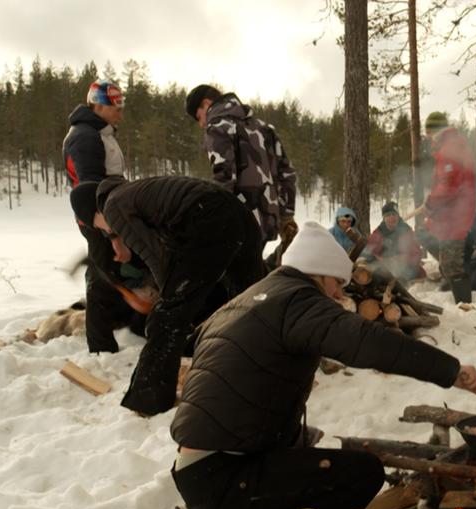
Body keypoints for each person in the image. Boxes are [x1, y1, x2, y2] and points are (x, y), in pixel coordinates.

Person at [169, 223, 476, 509]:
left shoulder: (247, 300)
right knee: (362, 474)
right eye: (337, 282)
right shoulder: (298, 301)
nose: (338, 294)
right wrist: (450, 370)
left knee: (307, 453)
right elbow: (369, 343)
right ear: (319, 273)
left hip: (195, 469)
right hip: (226, 476)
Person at [90, 175, 267, 416]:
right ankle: (269, 369)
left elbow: (156, 256)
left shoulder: (113, 204)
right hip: (240, 215)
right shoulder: (144, 192)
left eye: (102, 229)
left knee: (168, 316)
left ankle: (148, 399)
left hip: (210, 217)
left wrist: (170, 296)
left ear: (97, 213)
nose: (109, 233)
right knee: (253, 302)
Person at [62, 80, 149, 353]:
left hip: (112, 215)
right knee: (103, 275)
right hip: (99, 218)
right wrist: (112, 233)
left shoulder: (102, 132)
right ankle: (100, 346)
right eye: (116, 108)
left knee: (114, 271)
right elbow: (91, 191)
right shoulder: (85, 137)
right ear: (98, 105)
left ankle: (132, 324)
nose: (121, 114)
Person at [185, 84, 299, 249]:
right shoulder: (264, 127)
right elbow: (287, 174)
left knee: (237, 273)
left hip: (241, 220)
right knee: (256, 269)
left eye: (198, 116)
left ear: (206, 103)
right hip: (267, 220)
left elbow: (224, 177)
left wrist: (215, 221)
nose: (201, 124)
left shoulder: (217, 126)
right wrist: (286, 216)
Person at [413, 111, 476, 303]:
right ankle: (449, 277)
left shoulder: (451, 148)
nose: (427, 136)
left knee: (452, 265)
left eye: (429, 131)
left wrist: (431, 202)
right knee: (424, 231)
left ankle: (465, 304)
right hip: (448, 214)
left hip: (454, 216)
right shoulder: (449, 147)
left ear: (435, 130)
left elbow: (449, 185)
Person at [366, 201, 425, 281]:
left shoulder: (407, 232)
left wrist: (399, 260)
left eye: (394, 214)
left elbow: (416, 254)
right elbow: (370, 252)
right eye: (388, 215)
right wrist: (382, 261)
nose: (392, 218)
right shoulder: (378, 233)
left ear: (398, 216)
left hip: (405, 269)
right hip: (384, 270)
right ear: (384, 218)